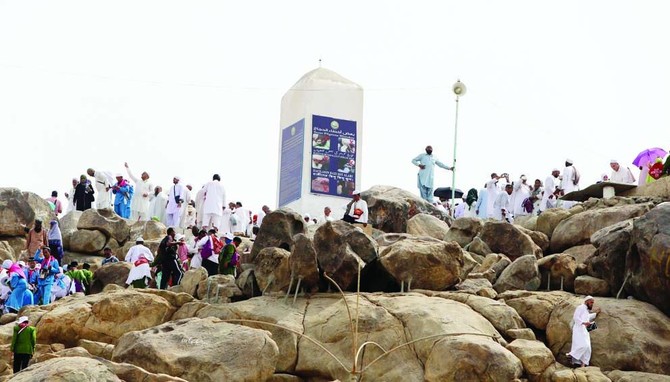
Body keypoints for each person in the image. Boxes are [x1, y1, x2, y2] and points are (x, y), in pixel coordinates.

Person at [567, 296, 601, 367]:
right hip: (579, 329)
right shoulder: (580, 307)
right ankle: (571, 355)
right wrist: (583, 322)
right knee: (584, 345)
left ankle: (583, 365)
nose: (592, 304)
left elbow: (587, 317)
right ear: (586, 301)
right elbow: (576, 317)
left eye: (593, 303)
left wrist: (596, 313)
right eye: (591, 302)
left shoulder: (586, 310)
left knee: (588, 348)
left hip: (585, 331)